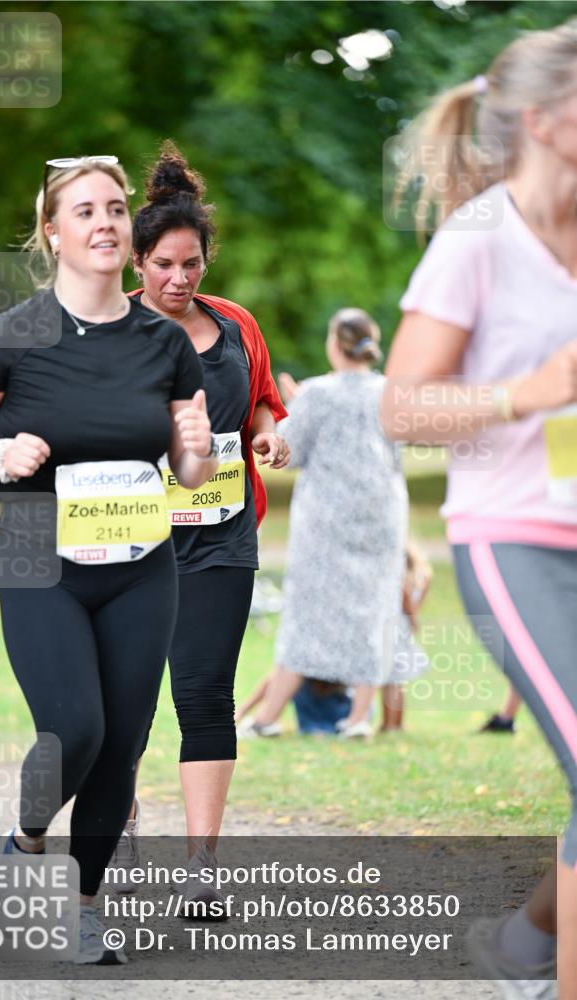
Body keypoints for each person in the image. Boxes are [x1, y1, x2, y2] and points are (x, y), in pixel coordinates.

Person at [0, 156, 217, 963]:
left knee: (123, 740)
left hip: (138, 560)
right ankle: (26, 836)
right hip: (37, 558)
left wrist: (192, 452)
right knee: (74, 730)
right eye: (84, 210)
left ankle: (83, 904)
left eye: (116, 209)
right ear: (52, 232)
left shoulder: (164, 342)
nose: (104, 222)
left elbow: (188, 474)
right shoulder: (12, 334)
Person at [381, 21, 577, 998]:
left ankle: (522, 947)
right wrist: (521, 393)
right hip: (514, 536)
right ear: (545, 120)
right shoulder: (479, 240)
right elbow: (401, 406)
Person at [111, 143, 288, 900]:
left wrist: (267, 434)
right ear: (136, 263)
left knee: (206, 693)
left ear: (205, 262)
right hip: (127, 538)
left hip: (219, 535)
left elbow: (260, 403)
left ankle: (202, 870)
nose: (178, 279)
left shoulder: (237, 324)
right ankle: (115, 839)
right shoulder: (107, 330)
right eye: (163, 265)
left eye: (191, 264)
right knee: (122, 699)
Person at [238, 307, 408, 741]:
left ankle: (268, 716)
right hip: (384, 514)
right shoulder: (391, 392)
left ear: (335, 344)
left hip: (326, 518)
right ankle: (358, 718)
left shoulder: (317, 393)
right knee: (376, 608)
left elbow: (286, 452)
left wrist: (295, 407)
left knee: (307, 610)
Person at [379, 539, 432, 733]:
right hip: (404, 628)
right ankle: (396, 724)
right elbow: (417, 602)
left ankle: (389, 724)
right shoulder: (423, 577)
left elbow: (406, 598)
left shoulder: (400, 581)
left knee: (390, 680)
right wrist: (413, 620)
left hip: (393, 627)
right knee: (397, 680)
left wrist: (412, 618)